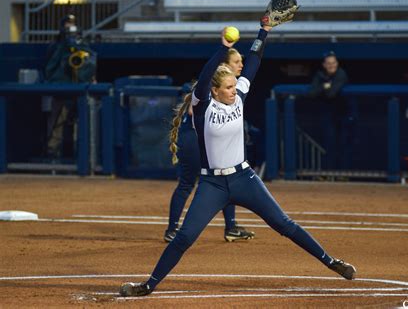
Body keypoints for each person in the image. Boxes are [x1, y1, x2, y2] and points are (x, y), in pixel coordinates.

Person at [119, 20, 356, 297]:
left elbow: (254, 61)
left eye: (235, 85)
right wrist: (223, 50)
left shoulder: (239, 97)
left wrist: (263, 32)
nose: (235, 90)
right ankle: (148, 285)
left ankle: (332, 262)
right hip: (213, 186)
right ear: (215, 90)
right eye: (229, 87)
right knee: (184, 237)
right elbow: (206, 75)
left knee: (284, 225)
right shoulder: (203, 104)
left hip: (244, 178)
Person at [165, 47, 255, 243]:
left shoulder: (227, 88)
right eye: (236, 62)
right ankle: (172, 229)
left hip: (204, 139)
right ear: (225, 65)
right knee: (187, 184)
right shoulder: (213, 85)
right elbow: (192, 110)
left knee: (226, 174)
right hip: (194, 139)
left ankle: (231, 226)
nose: (241, 65)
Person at [44, 14, 97, 158]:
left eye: (72, 27)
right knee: (58, 124)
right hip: (62, 92)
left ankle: (82, 155)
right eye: (67, 27)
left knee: (82, 125)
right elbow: (49, 70)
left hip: (81, 92)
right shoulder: (56, 46)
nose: (70, 31)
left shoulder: (83, 46)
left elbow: (90, 67)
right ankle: (53, 154)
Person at [309, 51, 357, 170]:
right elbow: (312, 92)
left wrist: (325, 87)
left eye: (333, 63)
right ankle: (329, 172)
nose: (331, 65)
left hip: (345, 114)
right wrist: (325, 86)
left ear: (337, 63)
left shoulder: (341, 74)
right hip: (330, 114)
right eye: (328, 63)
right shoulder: (320, 74)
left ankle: (344, 174)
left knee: (344, 144)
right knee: (328, 143)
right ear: (324, 64)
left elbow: (331, 93)